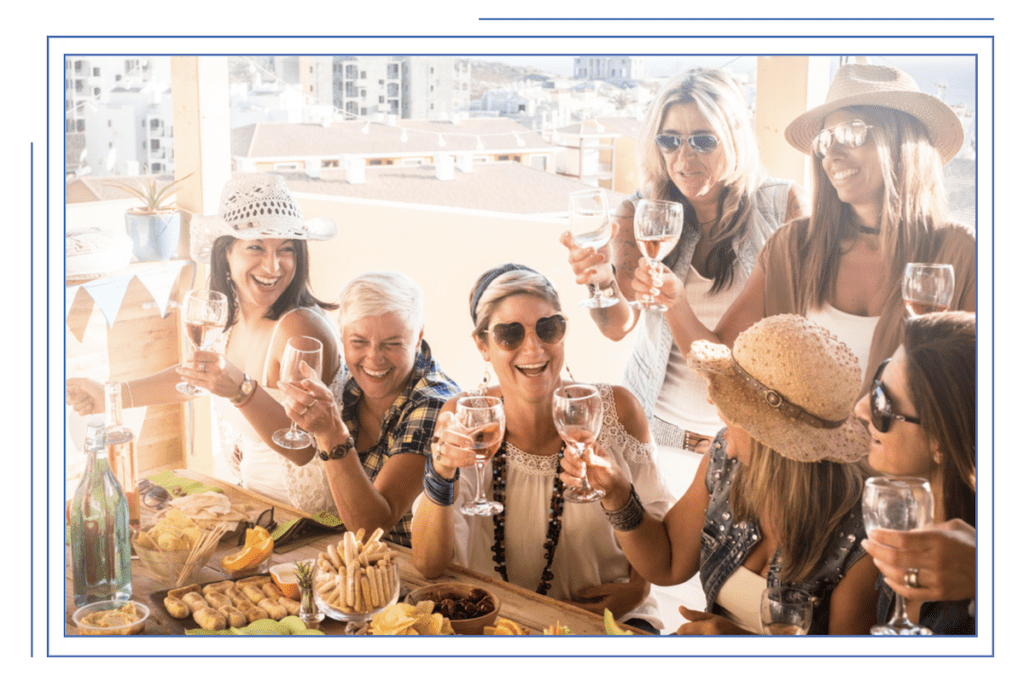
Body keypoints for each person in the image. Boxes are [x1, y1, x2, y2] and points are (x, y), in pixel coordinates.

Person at [627, 63, 975, 394]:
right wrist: (673, 302)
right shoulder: (792, 247)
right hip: (800, 458)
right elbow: (725, 362)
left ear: (903, 142)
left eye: (852, 134)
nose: (831, 154)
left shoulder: (961, 253)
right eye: (824, 141)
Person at [562, 314, 879, 635]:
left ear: (772, 439)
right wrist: (618, 495)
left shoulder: (861, 539)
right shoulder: (725, 464)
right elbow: (668, 562)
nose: (715, 404)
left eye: (733, 406)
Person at [411, 264, 674, 632]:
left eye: (548, 328)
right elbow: (427, 563)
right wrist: (440, 473)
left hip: (608, 626)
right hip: (502, 630)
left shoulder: (618, 411)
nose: (533, 348)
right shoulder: (465, 418)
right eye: (509, 334)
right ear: (482, 345)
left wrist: (637, 588)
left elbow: (663, 544)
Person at [561, 68, 807, 454]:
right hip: (653, 434)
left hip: (749, 443)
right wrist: (600, 281)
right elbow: (618, 325)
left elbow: (784, 337)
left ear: (735, 139)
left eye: (704, 141)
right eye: (670, 140)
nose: (684, 158)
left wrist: (675, 302)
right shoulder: (640, 211)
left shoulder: (783, 207)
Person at [66, 173, 342, 513]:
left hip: (306, 523)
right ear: (226, 253)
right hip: (256, 505)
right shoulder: (236, 314)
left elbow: (303, 447)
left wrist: (241, 391)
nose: (272, 266)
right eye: (256, 246)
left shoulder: (299, 328)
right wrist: (111, 395)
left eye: (286, 249)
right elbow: (198, 378)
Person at [278, 271, 459, 547]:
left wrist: (330, 432)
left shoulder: (436, 403)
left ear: (418, 335)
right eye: (359, 342)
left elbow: (372, 526)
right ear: (341, 335)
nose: (374, 358)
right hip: (350, 557)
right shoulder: (347, 385)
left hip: (411, 570)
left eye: (392, 343)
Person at [854, 311, 976, 634]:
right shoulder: (902, 516)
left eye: (883, 402)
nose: (861, 407)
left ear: (941, 440)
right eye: (877, 382)